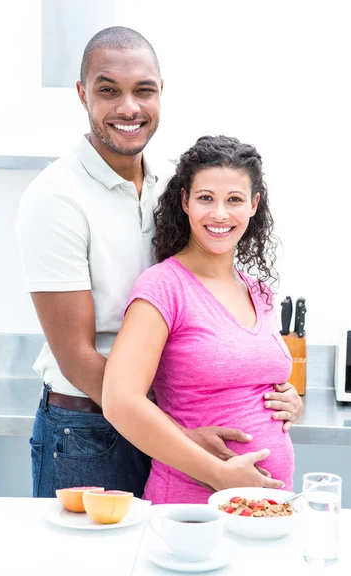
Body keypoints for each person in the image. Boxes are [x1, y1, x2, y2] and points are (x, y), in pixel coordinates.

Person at [16, 26, 302, 499]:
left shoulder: (173, 181)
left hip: (160, 421)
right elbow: (77, 355)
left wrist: (275, 391)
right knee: (89, 572)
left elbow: (204, 301)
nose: (128, 107)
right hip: (89, 428)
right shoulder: (54, 199)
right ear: (82, 94)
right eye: (108, 90)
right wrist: (175, 435)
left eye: (143, 90)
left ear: (161, 93)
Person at [102, 135, 298, 504]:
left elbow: (251, 382)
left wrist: (289, 402)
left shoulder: (258, 290)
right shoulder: (164, 286)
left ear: (254, 205)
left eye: (234, 200)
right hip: (191, 507)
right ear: (185, 202)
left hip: (268, 508)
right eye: (206, 198)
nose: (220, 214)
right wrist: (219, 474)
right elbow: (120, 401)